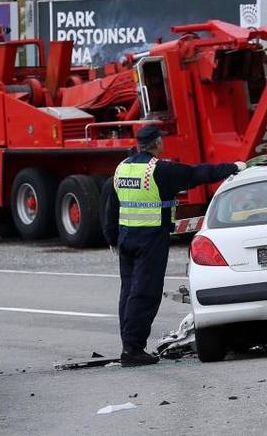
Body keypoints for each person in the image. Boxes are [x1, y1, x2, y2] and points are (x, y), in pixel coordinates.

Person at [103, 125, 244, 367]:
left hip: (126, 238)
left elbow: (111, 203)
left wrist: (112, 236)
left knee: (128, 291)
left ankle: (129, 344)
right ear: (157, 143)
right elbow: (198, 174)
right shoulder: (158, 170)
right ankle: (133, 349)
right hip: (150, 239)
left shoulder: (122, 168)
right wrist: (234, 168)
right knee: (145, 292)